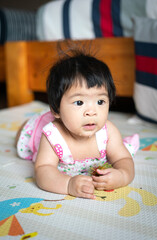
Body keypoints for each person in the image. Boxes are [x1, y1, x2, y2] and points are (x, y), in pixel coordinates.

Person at [16, 48, 139, 199]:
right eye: (79, 102)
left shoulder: (108, 132)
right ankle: (29, 124)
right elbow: (43, 170)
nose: (91, 112)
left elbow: (123, 159)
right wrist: (68, 184)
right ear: (56, 109)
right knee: (25, 134)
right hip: (41, 131)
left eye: (100, 101)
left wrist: (122, 175)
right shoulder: (53, 136)